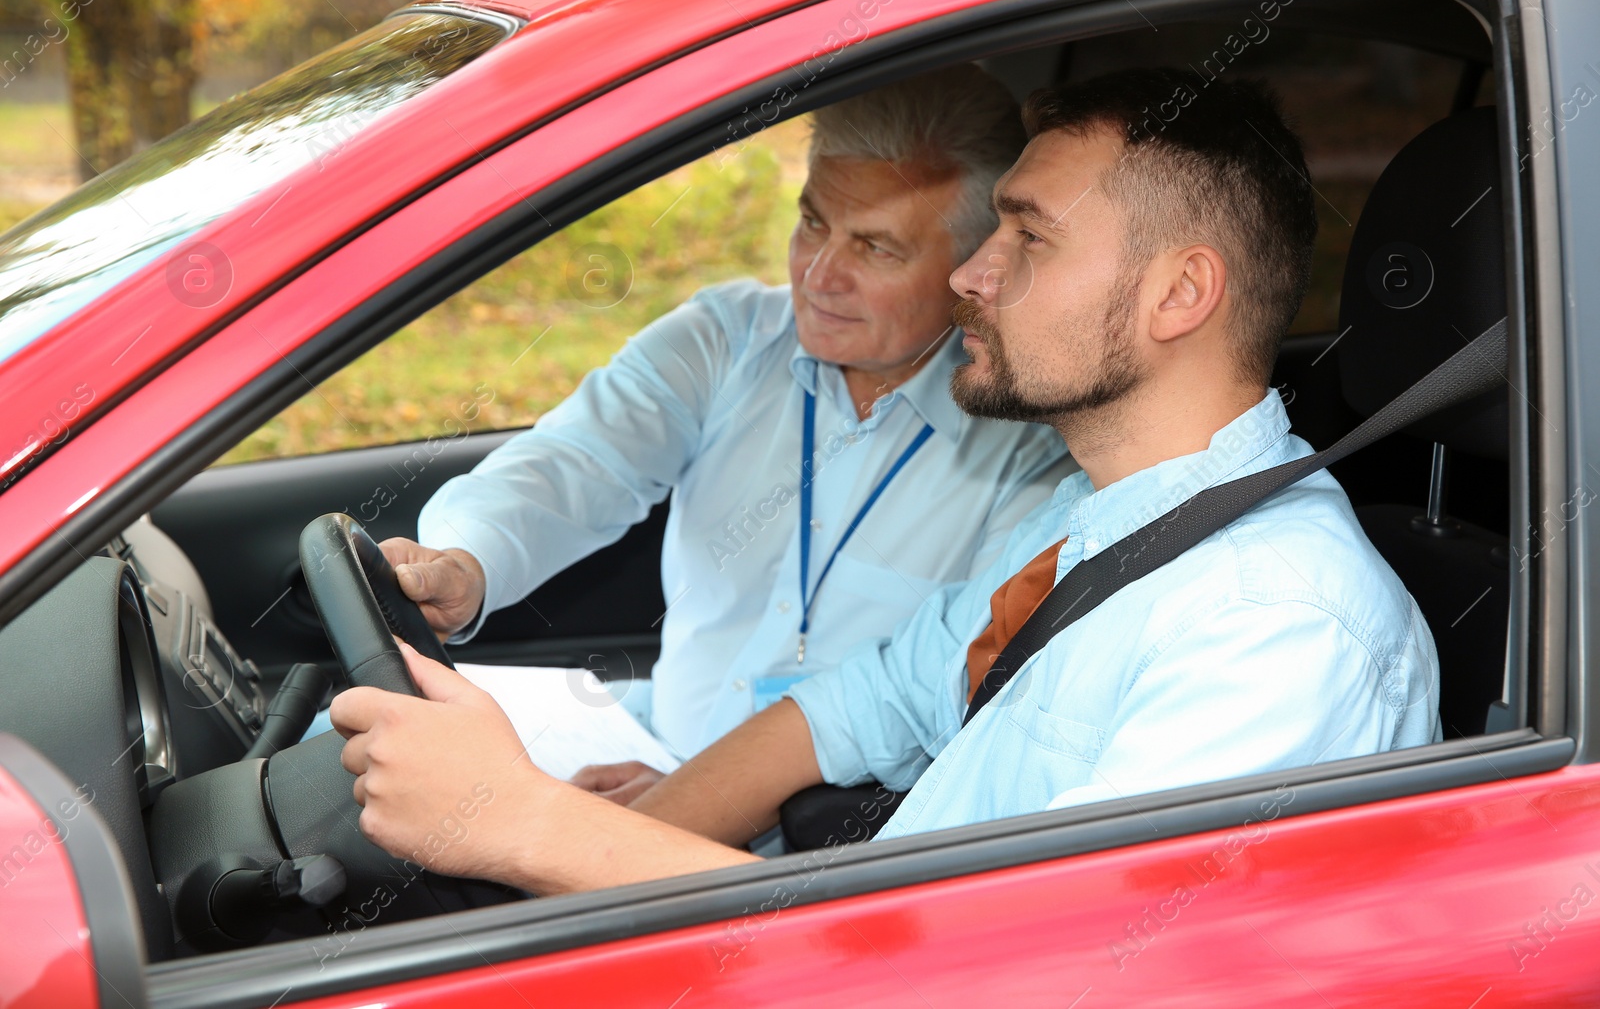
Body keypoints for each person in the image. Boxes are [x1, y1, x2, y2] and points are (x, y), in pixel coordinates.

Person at [332, 68, 1440, 895]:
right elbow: (846, 707)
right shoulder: (1092, 522)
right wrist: (573, 846)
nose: (973, 275)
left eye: (1029, 238)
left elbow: (1012, 964)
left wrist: (518, 822)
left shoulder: (1275, 628)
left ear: (1178, 293)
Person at [376, 64, 1075, 800]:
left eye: (875, 248)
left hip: (816, 846)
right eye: (812, 223)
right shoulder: (728, 337)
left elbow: (937, 703)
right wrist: (466, 559)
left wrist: (682, 802)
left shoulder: (1027, 453)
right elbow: (576, 462)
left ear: (974, 265)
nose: (818, 275)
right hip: (643, 744)